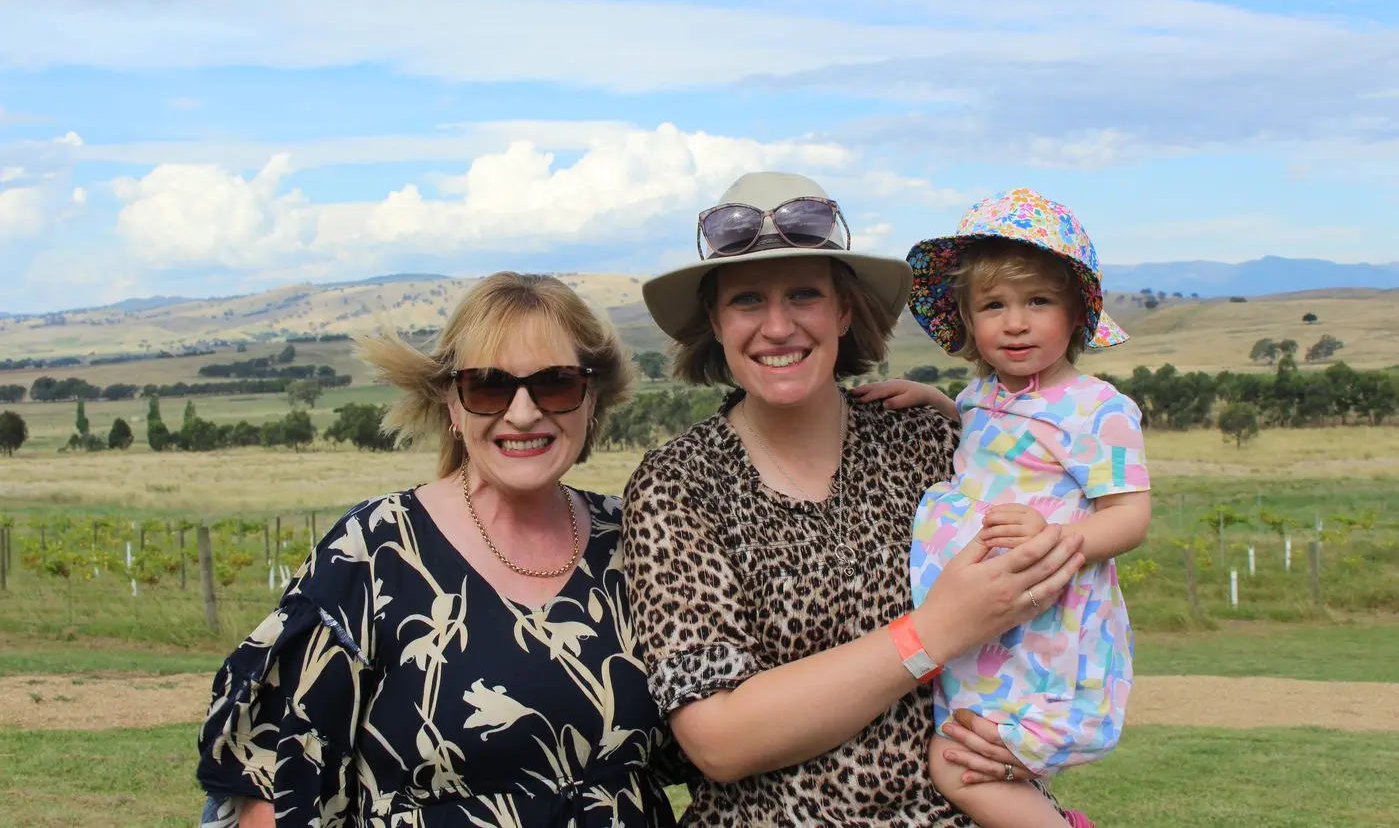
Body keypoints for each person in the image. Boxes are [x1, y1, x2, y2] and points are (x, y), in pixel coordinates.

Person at [623, 171, 1091, 826]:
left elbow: (1058, 585)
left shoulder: (929, 443)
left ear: (844, 309)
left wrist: (1026, 734)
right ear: (715, 320)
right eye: (747, 300)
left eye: (804, 295)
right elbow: (717, 740)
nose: (778, 326)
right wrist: (933, 630)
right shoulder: (678, 483)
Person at [196, 272, 685, 828]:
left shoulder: (639, 539)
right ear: (452, 405)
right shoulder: (375, 553)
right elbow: (278, 789)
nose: (523, 413)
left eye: (555, 383)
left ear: (591, 398)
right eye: (488, 386)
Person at [861, 188, 1151, 827]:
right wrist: (933, 401)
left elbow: (1130, 516)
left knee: (959, 760)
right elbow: (990, 438)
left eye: (1037, 302)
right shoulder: (980, 396)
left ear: (1077, 313)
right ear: (968, 321)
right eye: (994, 306)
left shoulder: (1095, 408)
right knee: (966, 746)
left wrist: (1058, 536)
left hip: (1040, 624)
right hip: (977, 624)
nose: (1015, 322)